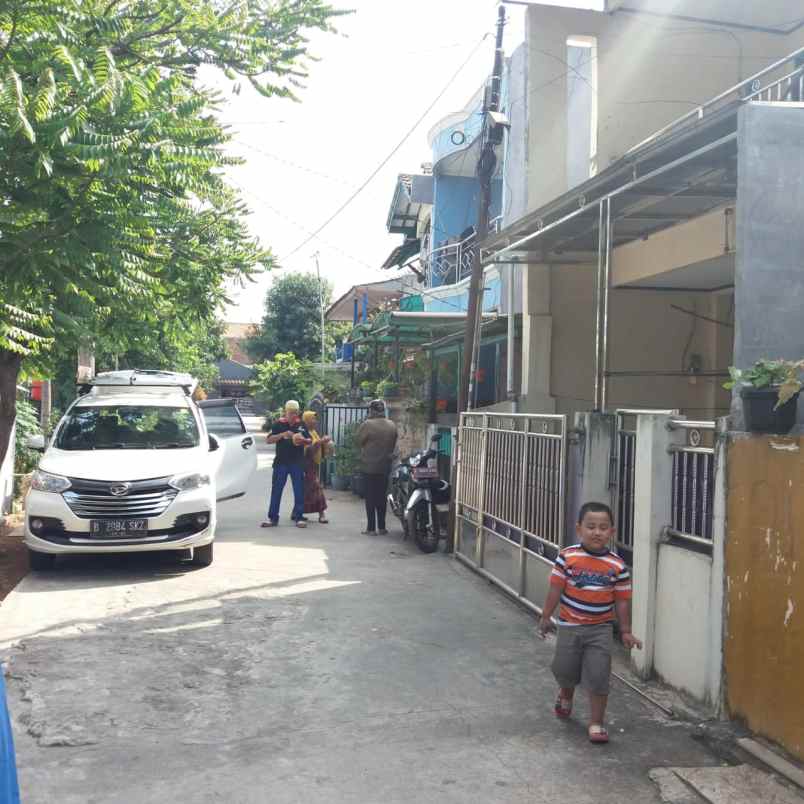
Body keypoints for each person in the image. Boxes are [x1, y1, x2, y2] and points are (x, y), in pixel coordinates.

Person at [538, 501, 642, 744]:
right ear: (579, 529)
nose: (597, 532)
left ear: (611, 532)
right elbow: (555, 588)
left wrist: (625, 630)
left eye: (603, 527)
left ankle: (596, 722)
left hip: (600, 630)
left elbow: (622, 600)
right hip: (569, 626)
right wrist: (545, 616)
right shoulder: (567, 557)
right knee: (564, 670)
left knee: (598, 677)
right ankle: (565, 694)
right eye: (591, 526)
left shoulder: (617, 566)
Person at [262, 400, 311, 529]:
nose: (293, 415)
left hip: (297, 462)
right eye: (291, 413)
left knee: (299, 490)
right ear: (285, 412)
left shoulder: (301, 424)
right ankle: (273, 518)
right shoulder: (279, 424)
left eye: (295, 413)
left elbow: (309, 440)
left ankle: (299, 517)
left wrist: (302, 440)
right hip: (281, 462)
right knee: (276, 490)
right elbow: (268, 440)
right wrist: (283, 435)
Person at [356, 399, 397, 536]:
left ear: (371, 410)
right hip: (385, 466)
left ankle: (371, 528)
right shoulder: (392, 424)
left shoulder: (367, 424)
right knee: (381, 496)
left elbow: (359, 441)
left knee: (370, 497)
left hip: (369, 466)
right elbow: (394, 442)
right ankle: (382, 527)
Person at [301, 410, 331, 524]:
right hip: (306, 465)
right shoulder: (304, 433)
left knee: (307, 490)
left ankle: (297, 512)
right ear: (306, 420)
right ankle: (321, 514)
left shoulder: (313, 432)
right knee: (315, 489)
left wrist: (323, 443)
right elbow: (308, 450)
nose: (315, 421)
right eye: (313, 419)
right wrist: (321, 441)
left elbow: (318, 447)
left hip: (313, 465)